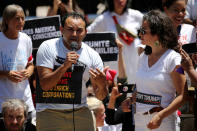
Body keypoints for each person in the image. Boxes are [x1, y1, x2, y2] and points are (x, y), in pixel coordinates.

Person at [36, 12, 107, 131]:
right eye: (70, 29)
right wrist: (64, 66)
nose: (74, 34)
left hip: (81, 112)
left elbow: (101, 96)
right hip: (50, 111)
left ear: (86, 32)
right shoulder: (48, 47)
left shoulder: (93, 55)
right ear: (61, 30)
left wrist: (102, 84)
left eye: (79, 30)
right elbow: (45, 85)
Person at [132, 10, 186, 130]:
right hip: (140, 122)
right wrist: (131, 99)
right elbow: (142, 89)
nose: (139, 34)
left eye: (143, 31)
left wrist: (160, 116)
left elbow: (182, 95)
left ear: (158, 33)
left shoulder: (174, 59)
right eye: (139, 31)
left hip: (164, 123)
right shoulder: (142, 58)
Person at [0, 4, 35, 122]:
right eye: (17, 18)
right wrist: (6, 74)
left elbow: (30, 64)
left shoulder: (26, 39)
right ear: (7, 20)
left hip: (25, 103)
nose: (21, 21)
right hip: (3, 104)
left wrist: (28, 72)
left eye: (23, 18)